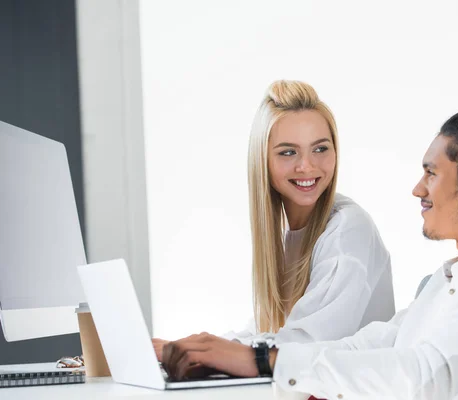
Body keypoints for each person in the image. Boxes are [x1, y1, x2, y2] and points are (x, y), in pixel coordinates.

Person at [160, 74, 458, 399]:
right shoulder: (451, 280)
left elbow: (424, 374)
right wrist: (251, 357)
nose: (418, 189)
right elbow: (366, 344)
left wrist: (260, 360)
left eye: (431, 174)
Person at [153, 80, 395, 361]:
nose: (307, 166)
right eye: (288, 152)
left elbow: (306, 345)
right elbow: (264, 333)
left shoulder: (348, 229)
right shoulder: (285, 236)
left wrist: (203, 351)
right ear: (262, 160)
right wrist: (185, 347)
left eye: (320, 149)